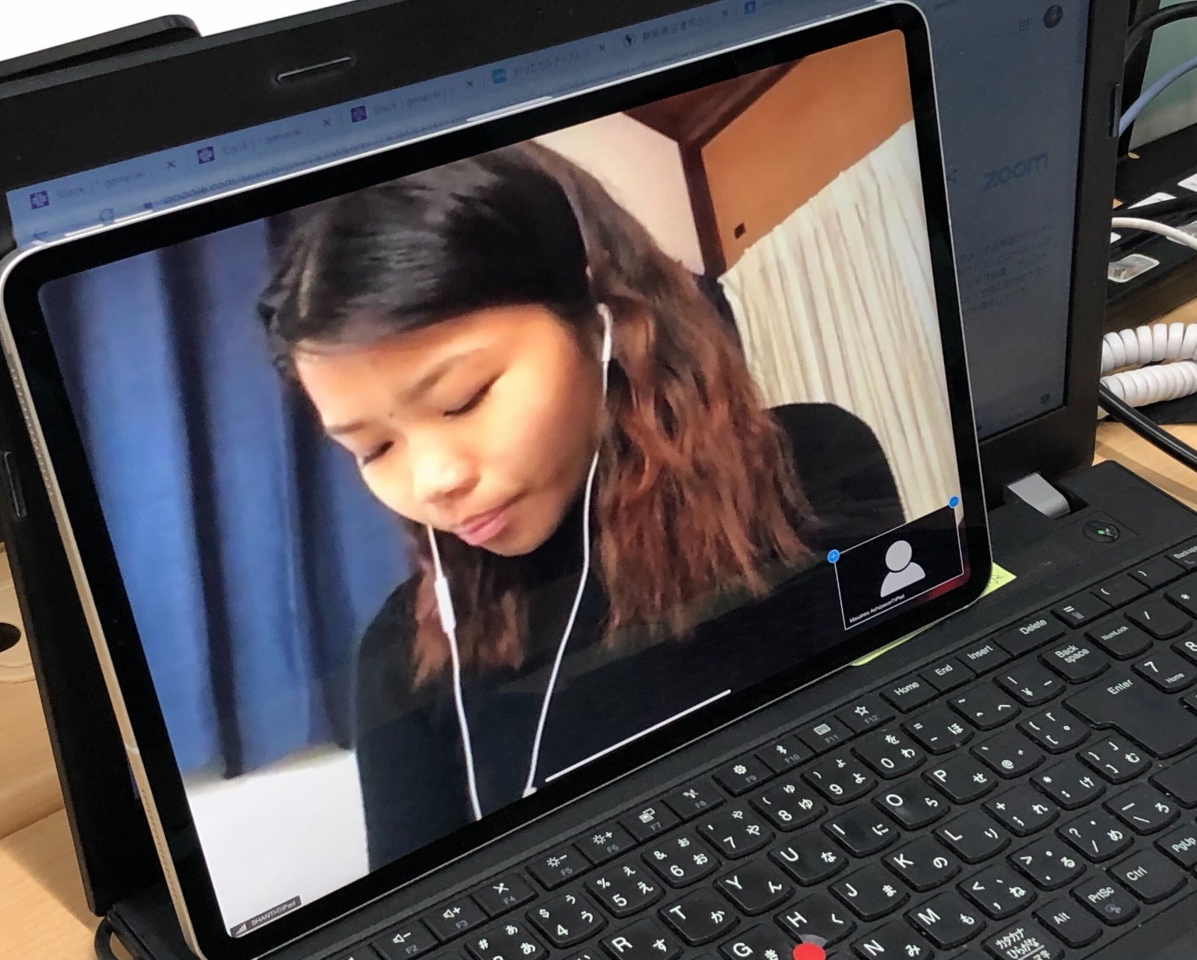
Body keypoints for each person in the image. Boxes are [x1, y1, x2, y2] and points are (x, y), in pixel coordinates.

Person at [256, 141, 904, 869]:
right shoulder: (402, 654)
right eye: (373, 448)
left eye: (463, 399)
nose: (433, 481)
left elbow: (904, 740)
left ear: (601, 324)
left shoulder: (812, 466)